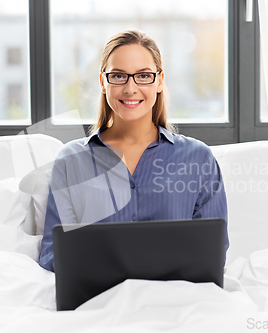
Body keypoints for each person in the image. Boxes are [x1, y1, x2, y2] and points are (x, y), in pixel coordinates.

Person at [39, 30, 228, 272]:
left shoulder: (198, 158)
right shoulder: (71, 161)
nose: (130, 88)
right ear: (103, 83)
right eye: (118, 76)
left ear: (159, 81)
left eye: (143, 76)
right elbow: (51, 254)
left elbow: (213, 251)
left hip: (176, 299)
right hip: (99, 301)